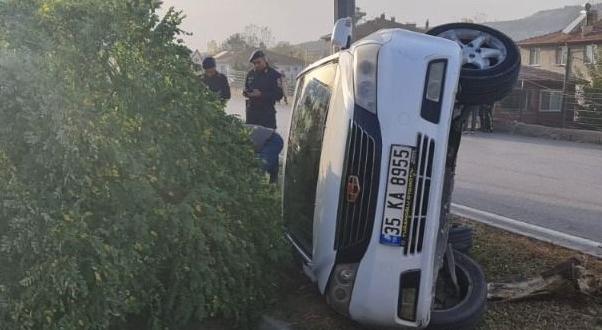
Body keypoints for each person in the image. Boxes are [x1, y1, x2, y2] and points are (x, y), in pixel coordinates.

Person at [243, 50, 284, 129]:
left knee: (268, 139)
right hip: (251, 114)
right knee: (251, 139)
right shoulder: (250, 74)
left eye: (258, 62)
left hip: (266, 115)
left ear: (265, 60)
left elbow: (279, 95)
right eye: (254, 63)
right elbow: (246, 88)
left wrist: (261, 94)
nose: (256, 65)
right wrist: (246, 93)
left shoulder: (274, 75)